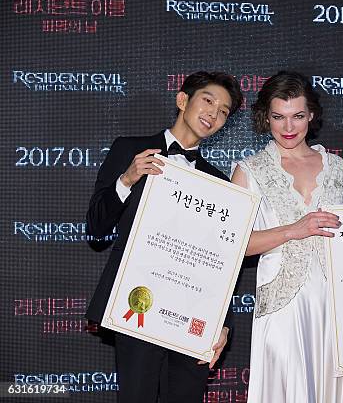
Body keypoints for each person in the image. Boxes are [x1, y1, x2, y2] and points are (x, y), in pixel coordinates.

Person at [85, 71, 243, 403]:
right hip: (137, 307)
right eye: (208, 100)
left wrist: (221, 325)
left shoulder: (219, 182)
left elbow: (222, 261)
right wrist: (126, 179)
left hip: (191, 315)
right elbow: (96, 229)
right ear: (182, 100)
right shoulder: (130, 150)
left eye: (224, 111)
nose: (214, 114)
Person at [231, 71, 343, 402]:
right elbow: (236, 245)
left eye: (298, 116)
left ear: (311, 115)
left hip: (335, 305)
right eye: (279, 117)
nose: (289, 128)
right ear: (266, 117)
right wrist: (294, 230)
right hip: (283, 307)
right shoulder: (249, 171)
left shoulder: (338, 169)